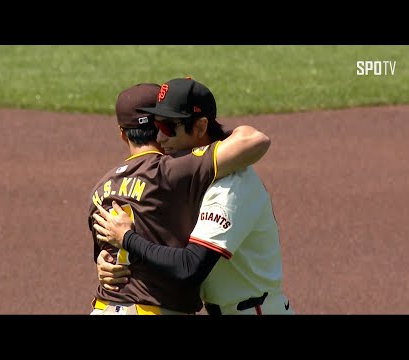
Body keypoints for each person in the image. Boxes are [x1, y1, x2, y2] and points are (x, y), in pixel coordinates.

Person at [93, 77, 294, 315]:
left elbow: (189, 267)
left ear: (199, 127)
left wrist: (127, 238)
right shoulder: (184, 179)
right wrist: (106, 261)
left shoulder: (231, 185)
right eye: (156, 127)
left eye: (168, 127)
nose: (159, 138)